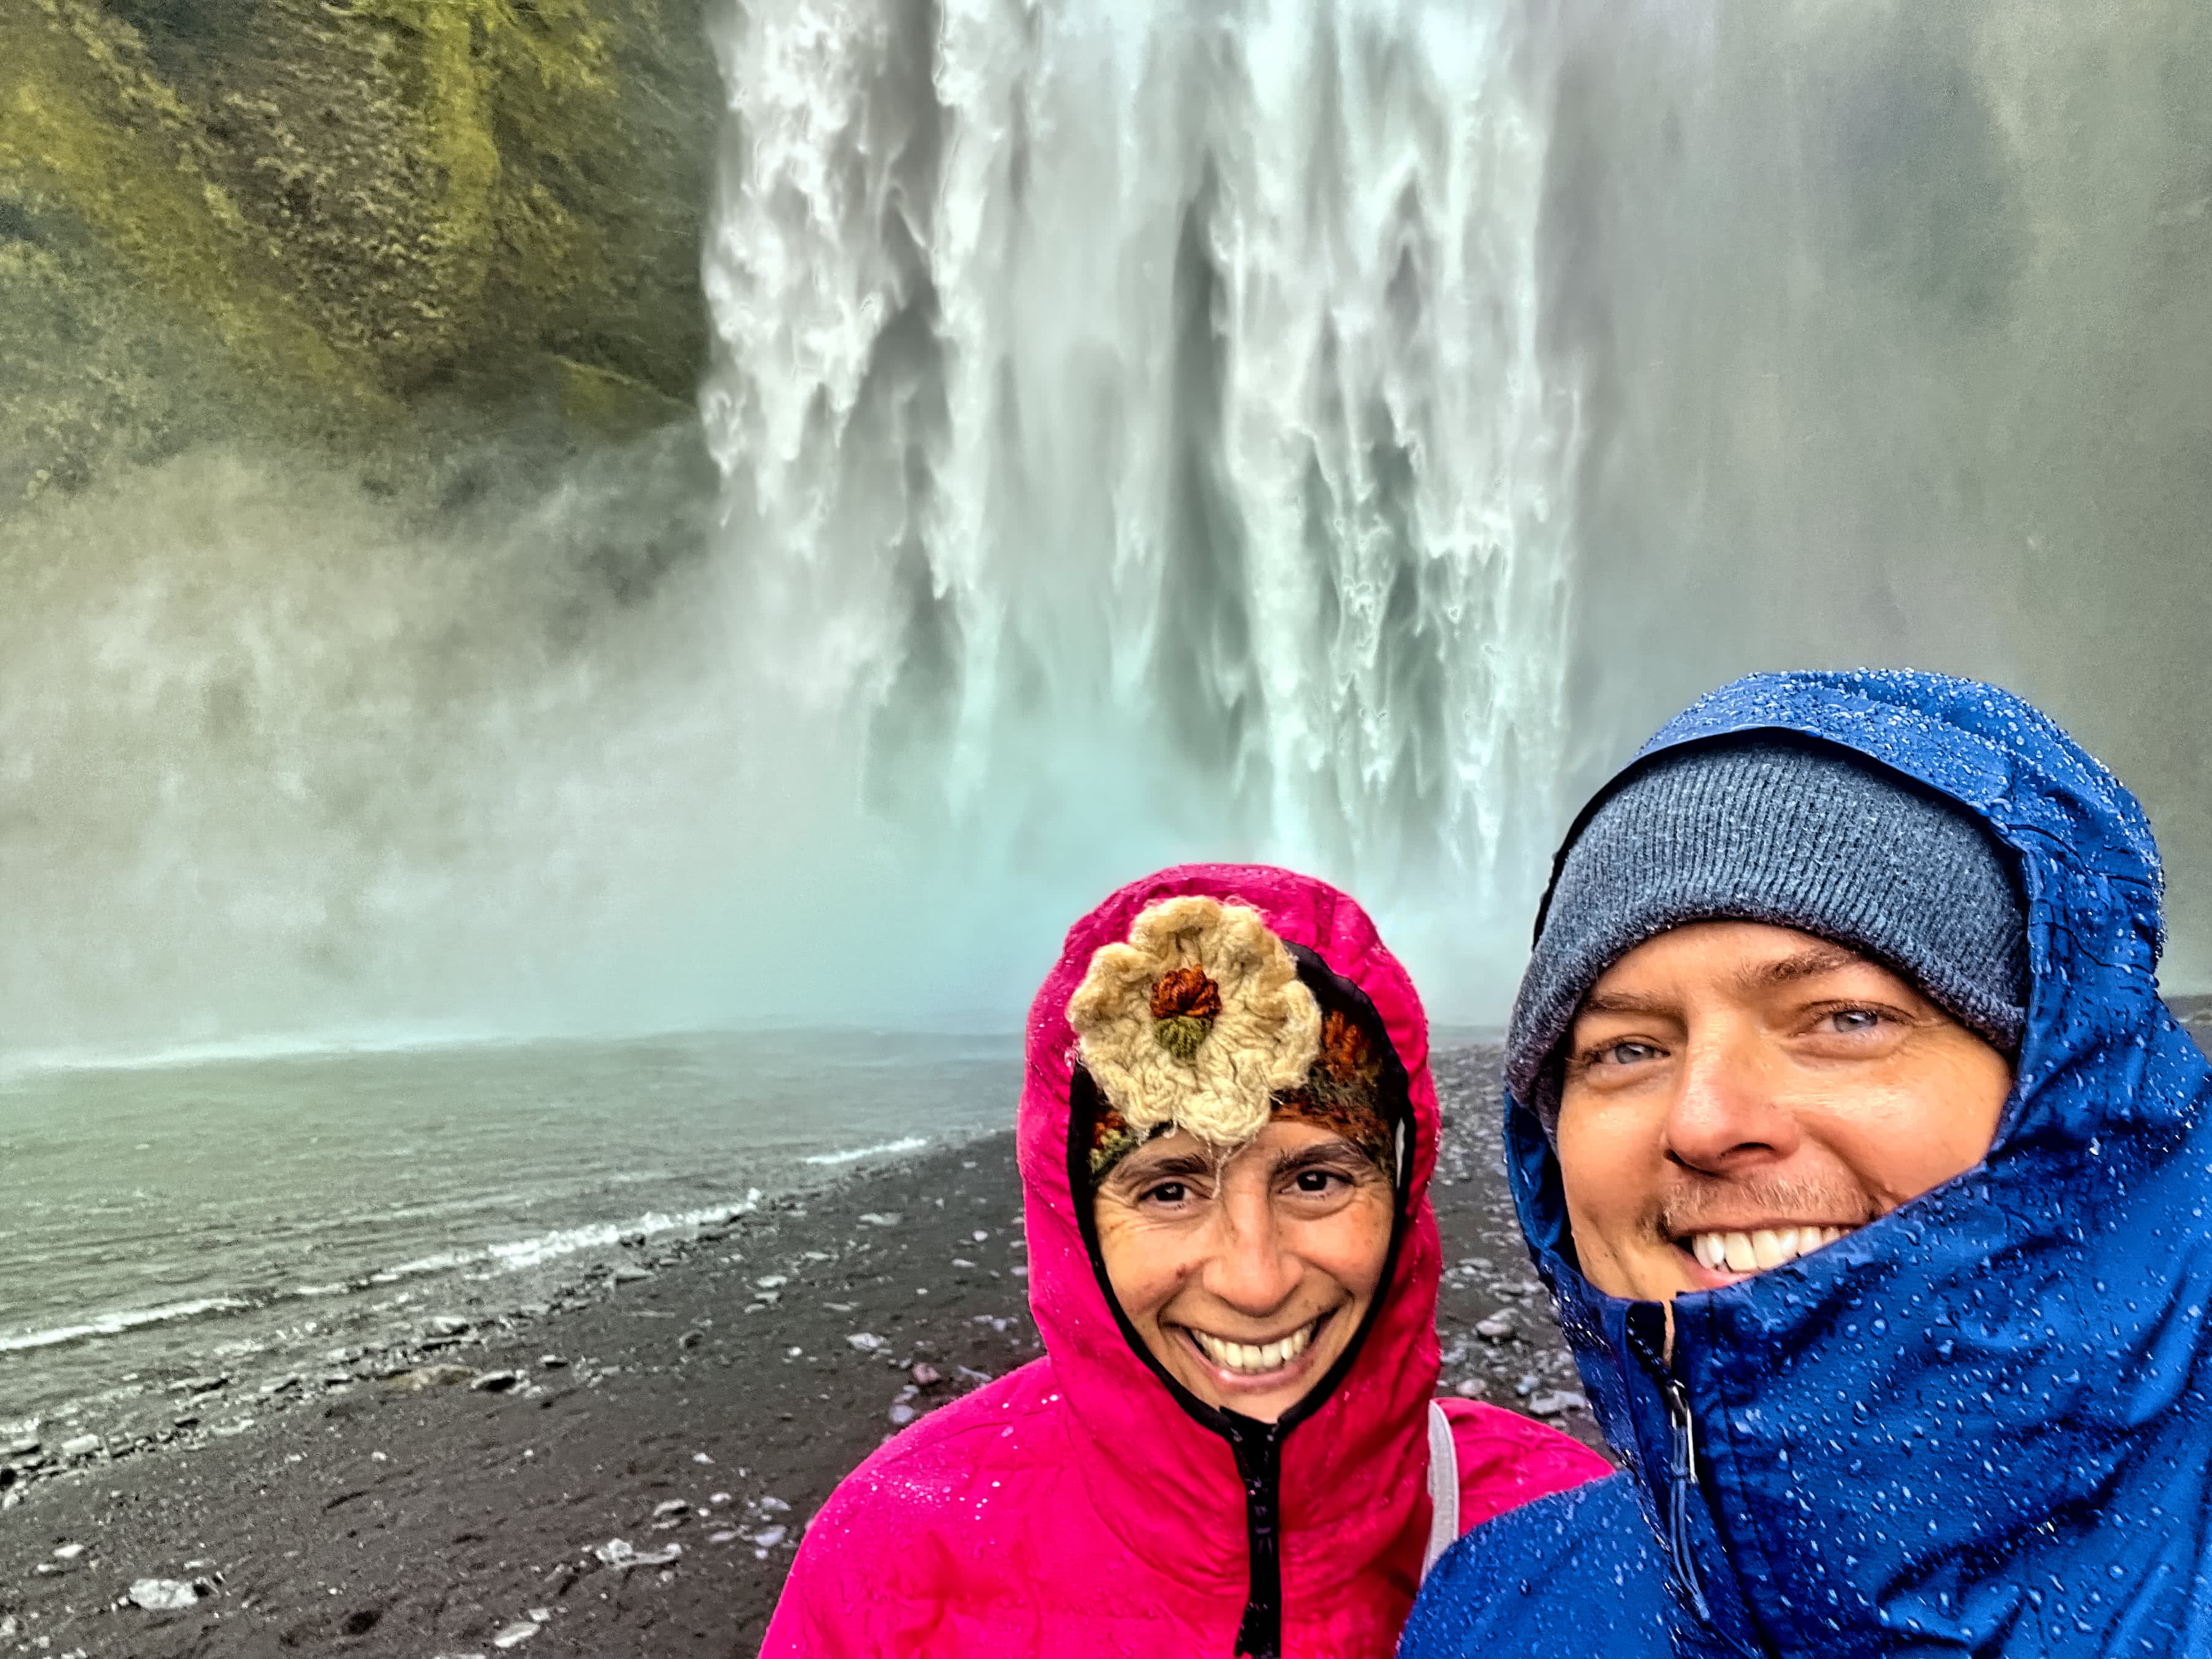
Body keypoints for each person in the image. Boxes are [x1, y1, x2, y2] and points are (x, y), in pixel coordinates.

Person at [1399, 669, 2212, 1658]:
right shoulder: (1487, 1610)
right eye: (1627, 1048)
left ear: (2068, 1084)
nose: (1704, 1121)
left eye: (1846, 1019)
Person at [763, 865, 1607, 1657]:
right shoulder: (891, 1563)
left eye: (1316, 1179)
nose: (1255, 1279)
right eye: (1168, 1190)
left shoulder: (1571, 1541)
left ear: (1404, 1187)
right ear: (1072, 1222)